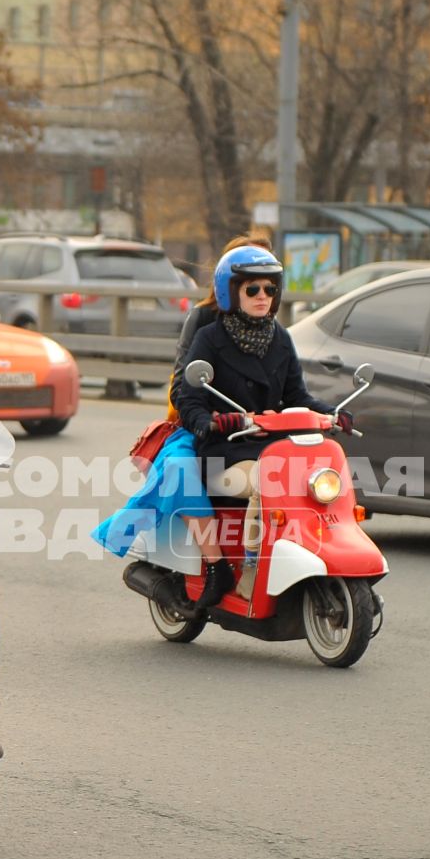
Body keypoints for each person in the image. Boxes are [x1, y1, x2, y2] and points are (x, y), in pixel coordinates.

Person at [169, 243, 351, 607]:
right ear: (231, 291)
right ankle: (244, 571)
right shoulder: (210, 338)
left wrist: (333, 413)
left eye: (269, 288)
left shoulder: (280, 339)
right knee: (266, 484)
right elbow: (189, 399)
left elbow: (298, 396)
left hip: (270, 446)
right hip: (226, 448)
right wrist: (212, 422)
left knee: (314, 480)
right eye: (252, 288)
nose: (262, 296)